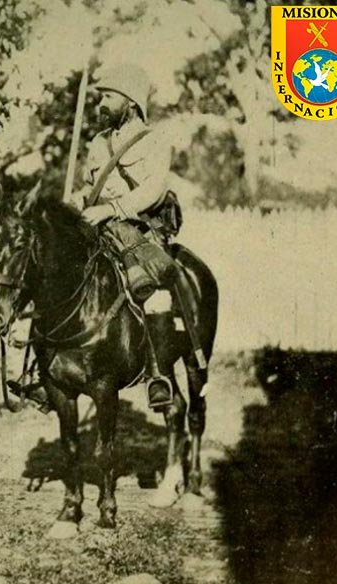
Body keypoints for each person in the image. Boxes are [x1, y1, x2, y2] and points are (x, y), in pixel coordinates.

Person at [67, 63, 204, 409]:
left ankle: (157, 374)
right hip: (101, 229)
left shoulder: (155, 140)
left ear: (130, 102)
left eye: (109, 97)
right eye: (100, 96)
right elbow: (88, 187)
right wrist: (75, 201)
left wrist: (112, 209)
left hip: (143, 229)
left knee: (152, 286)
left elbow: (154, 191)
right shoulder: (98, 143)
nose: (101, 103)